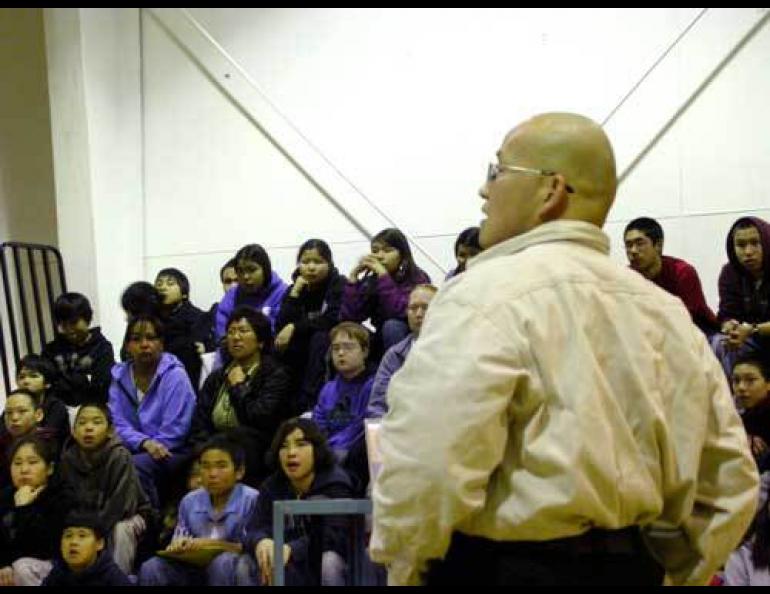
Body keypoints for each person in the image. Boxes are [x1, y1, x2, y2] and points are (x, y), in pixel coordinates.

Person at [369, 112, 759, 586]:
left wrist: (406, 569)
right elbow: (729, 485)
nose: (484, 189)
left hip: (502, 569)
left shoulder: (482, 295)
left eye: (498, 170)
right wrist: (671, 573)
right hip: (632, 567)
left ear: (550, 190)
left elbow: (426, 466)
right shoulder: (665, 313)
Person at [242, 418, 353, 586]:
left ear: (317, 449)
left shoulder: (336, 483)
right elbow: (254, 528)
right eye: (284, 446)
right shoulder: (272, 485)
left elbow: (335, 536)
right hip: (284, 563)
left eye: (301, 444)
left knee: (330, 562)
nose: (291, 453)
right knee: (245, 564)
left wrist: (292, 549)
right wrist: (261, 541)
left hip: (317, 563)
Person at [189, 306, 293, 486]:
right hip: (215, 447)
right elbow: (200, 423)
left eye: (243, 331)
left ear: (260, 341)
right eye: (231, 332)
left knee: (241, 438)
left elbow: (259, 418)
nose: (236, 337)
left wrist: (239, 387)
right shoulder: (217, 377)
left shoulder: (275, 374)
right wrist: (202, 452)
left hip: (257, 448)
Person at [138, 436, 259, 586]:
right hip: (194, 569)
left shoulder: (252, 499)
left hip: (237, 569)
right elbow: (180, 539)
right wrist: (180, 545)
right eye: (206, 466)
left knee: (223, 562)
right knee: (153, 567)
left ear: (239, 472)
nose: (212, 474)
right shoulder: (189, 501)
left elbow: (251, 548)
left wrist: (211, 545)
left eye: (221, 466)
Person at [108, 314, 196, 509]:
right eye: (136, 339)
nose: (144, 344)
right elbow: (116, 422)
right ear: (127, 346)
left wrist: (151, 445)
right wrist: (143, 443)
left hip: (173, 449)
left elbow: (176, 430)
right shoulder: (119, 376)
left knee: (136, 465)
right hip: (136, 447)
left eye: (151, 338)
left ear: (161, 343)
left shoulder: (175, 375)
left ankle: (149, 521)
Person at [59, 402, 153, 574]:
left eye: (96, 422)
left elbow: (122, 505)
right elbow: (66, 501)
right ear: (73, 431)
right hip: (86, 522)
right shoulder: (67, 459)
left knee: (121, 529)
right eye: (82, 423)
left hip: (128, 516)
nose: (88, 428)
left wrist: (94, 533)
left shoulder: (119, 456)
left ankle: (118, 577)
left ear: (110, 431)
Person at [274, 239, 346, 412]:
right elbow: (281, 324)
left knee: (319, 338)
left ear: (329, 263)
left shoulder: (339, 284)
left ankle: (310, 401)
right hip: (301, 345)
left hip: (328, 340)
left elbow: (332, 318)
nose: (311, 267)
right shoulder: (295, 288)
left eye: (318, 262)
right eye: (305, 262)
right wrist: (294, 293)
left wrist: (295, 327)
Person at [340, 228, 431, 359]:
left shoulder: (417, 277)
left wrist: (383, 276)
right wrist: (353, 279)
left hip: (409, 335)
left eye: (388, 250)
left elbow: (399, 311)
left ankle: (399, 373)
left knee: (392, 326)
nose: (380, 256)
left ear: (402, 254)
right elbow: (350, 317)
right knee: (345, 330)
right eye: (375, 251)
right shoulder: (372, 279)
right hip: (380, 336)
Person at [0, 436, 76, 586]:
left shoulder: (62, 497)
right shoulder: (5, 495)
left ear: (49, 468)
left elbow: (44, 548)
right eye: (17, 463)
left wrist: (24, 508)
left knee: (22, 567)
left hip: (53, 568)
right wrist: (3, 564)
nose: (24, 470)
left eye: (33, 462)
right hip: (12, 565)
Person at [624, 217, 718, 335]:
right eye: (628, 245)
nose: (633, 251)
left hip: (699, 335)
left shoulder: (682, 272)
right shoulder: (626, 277)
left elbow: (687, 320)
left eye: (640, 244)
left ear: (658, 245)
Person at [367, 284, 437, 418]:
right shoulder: (394, 355)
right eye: (413, 308)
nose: (419, 314)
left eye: (426, 307)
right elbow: (377, 406)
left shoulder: (457, 350)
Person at [712, 217, 770, 376]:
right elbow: (726, 313)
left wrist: (753, 330)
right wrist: (729, 326)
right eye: (741, 245)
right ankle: (734, 397)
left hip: (760, 334)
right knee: (721, 342)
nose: (748, 252)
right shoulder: (729, 273)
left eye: (755, 243)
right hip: (750, 339)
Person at [42, 292, 115, 406]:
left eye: (74, 322)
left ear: (87, 319)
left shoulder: (102, 348)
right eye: (63, 325)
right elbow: (47, 385)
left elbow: (102, 387)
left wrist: (64, 380)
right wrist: (82, 380)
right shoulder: (51, 350)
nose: (69, 329)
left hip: (94, 409)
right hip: (59, 410)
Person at [42, 509, 133, 586]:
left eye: (82, 536)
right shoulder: (56, 575)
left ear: (99, 544)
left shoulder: (114, 579)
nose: (73, 542)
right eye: (68, 536)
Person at [215, 244, 288, 339]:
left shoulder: (282, 292)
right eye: (240, 271)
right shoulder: (233, 294)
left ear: (265, 270)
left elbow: (278, 330)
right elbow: (222, 329)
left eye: (252, 270)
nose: (245, 276)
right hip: (233, 349)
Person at [154, 267, 209, 389]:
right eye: (159, 284)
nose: (163, 287)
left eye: (170, 283)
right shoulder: (150, 320)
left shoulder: (199, 318)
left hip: (187, 385)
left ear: (184, 293)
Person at [14, 355, 70, 451]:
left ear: (47, 383)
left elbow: (46, 438)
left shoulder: (56, 406)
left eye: (33, 376)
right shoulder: (13, 404)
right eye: (21, 377)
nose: (26, 381)